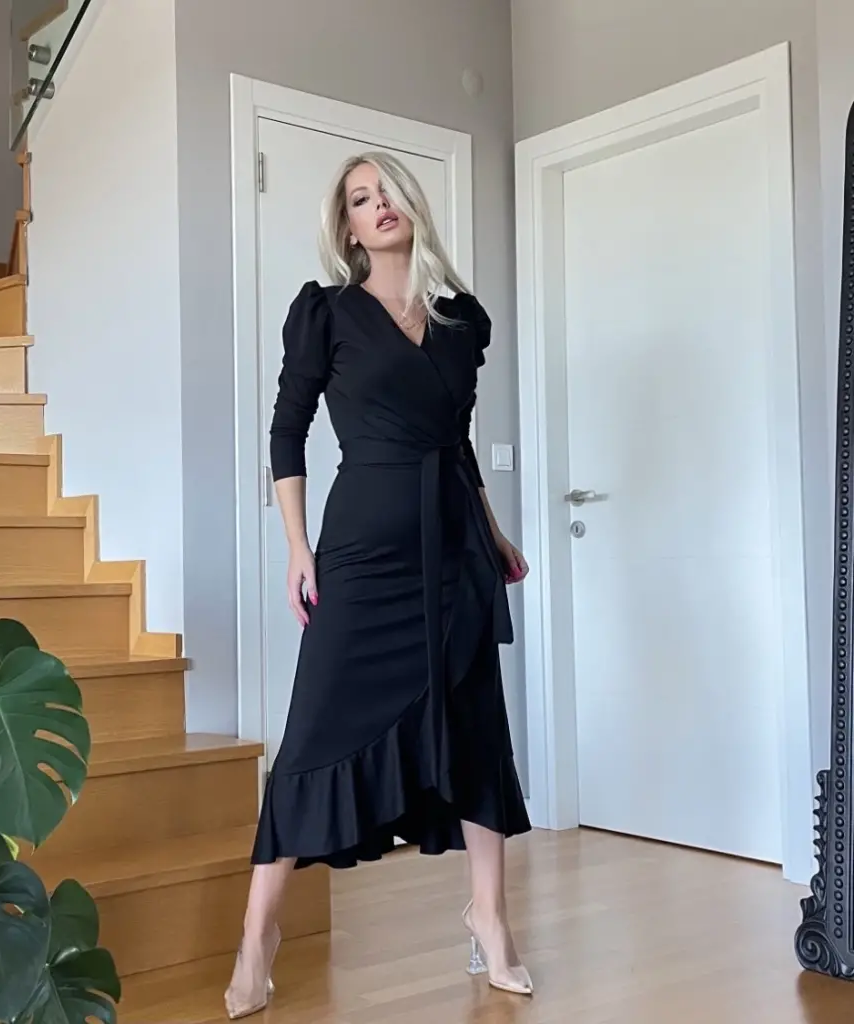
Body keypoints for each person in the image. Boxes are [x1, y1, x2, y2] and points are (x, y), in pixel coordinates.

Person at [225, 152, 532, 1020]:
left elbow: (456, 441)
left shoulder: (461, 318)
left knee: (475, 725)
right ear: (349, 227)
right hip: (360, 547)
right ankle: (257, 935)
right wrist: (298, 548)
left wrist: (492, 530)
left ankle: (490, 918)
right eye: (362, 198)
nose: (379, 204)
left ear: (411, 205)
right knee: (313, 730)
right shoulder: (325, 313)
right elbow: (287, 433)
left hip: (454, 549)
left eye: (388, 189)